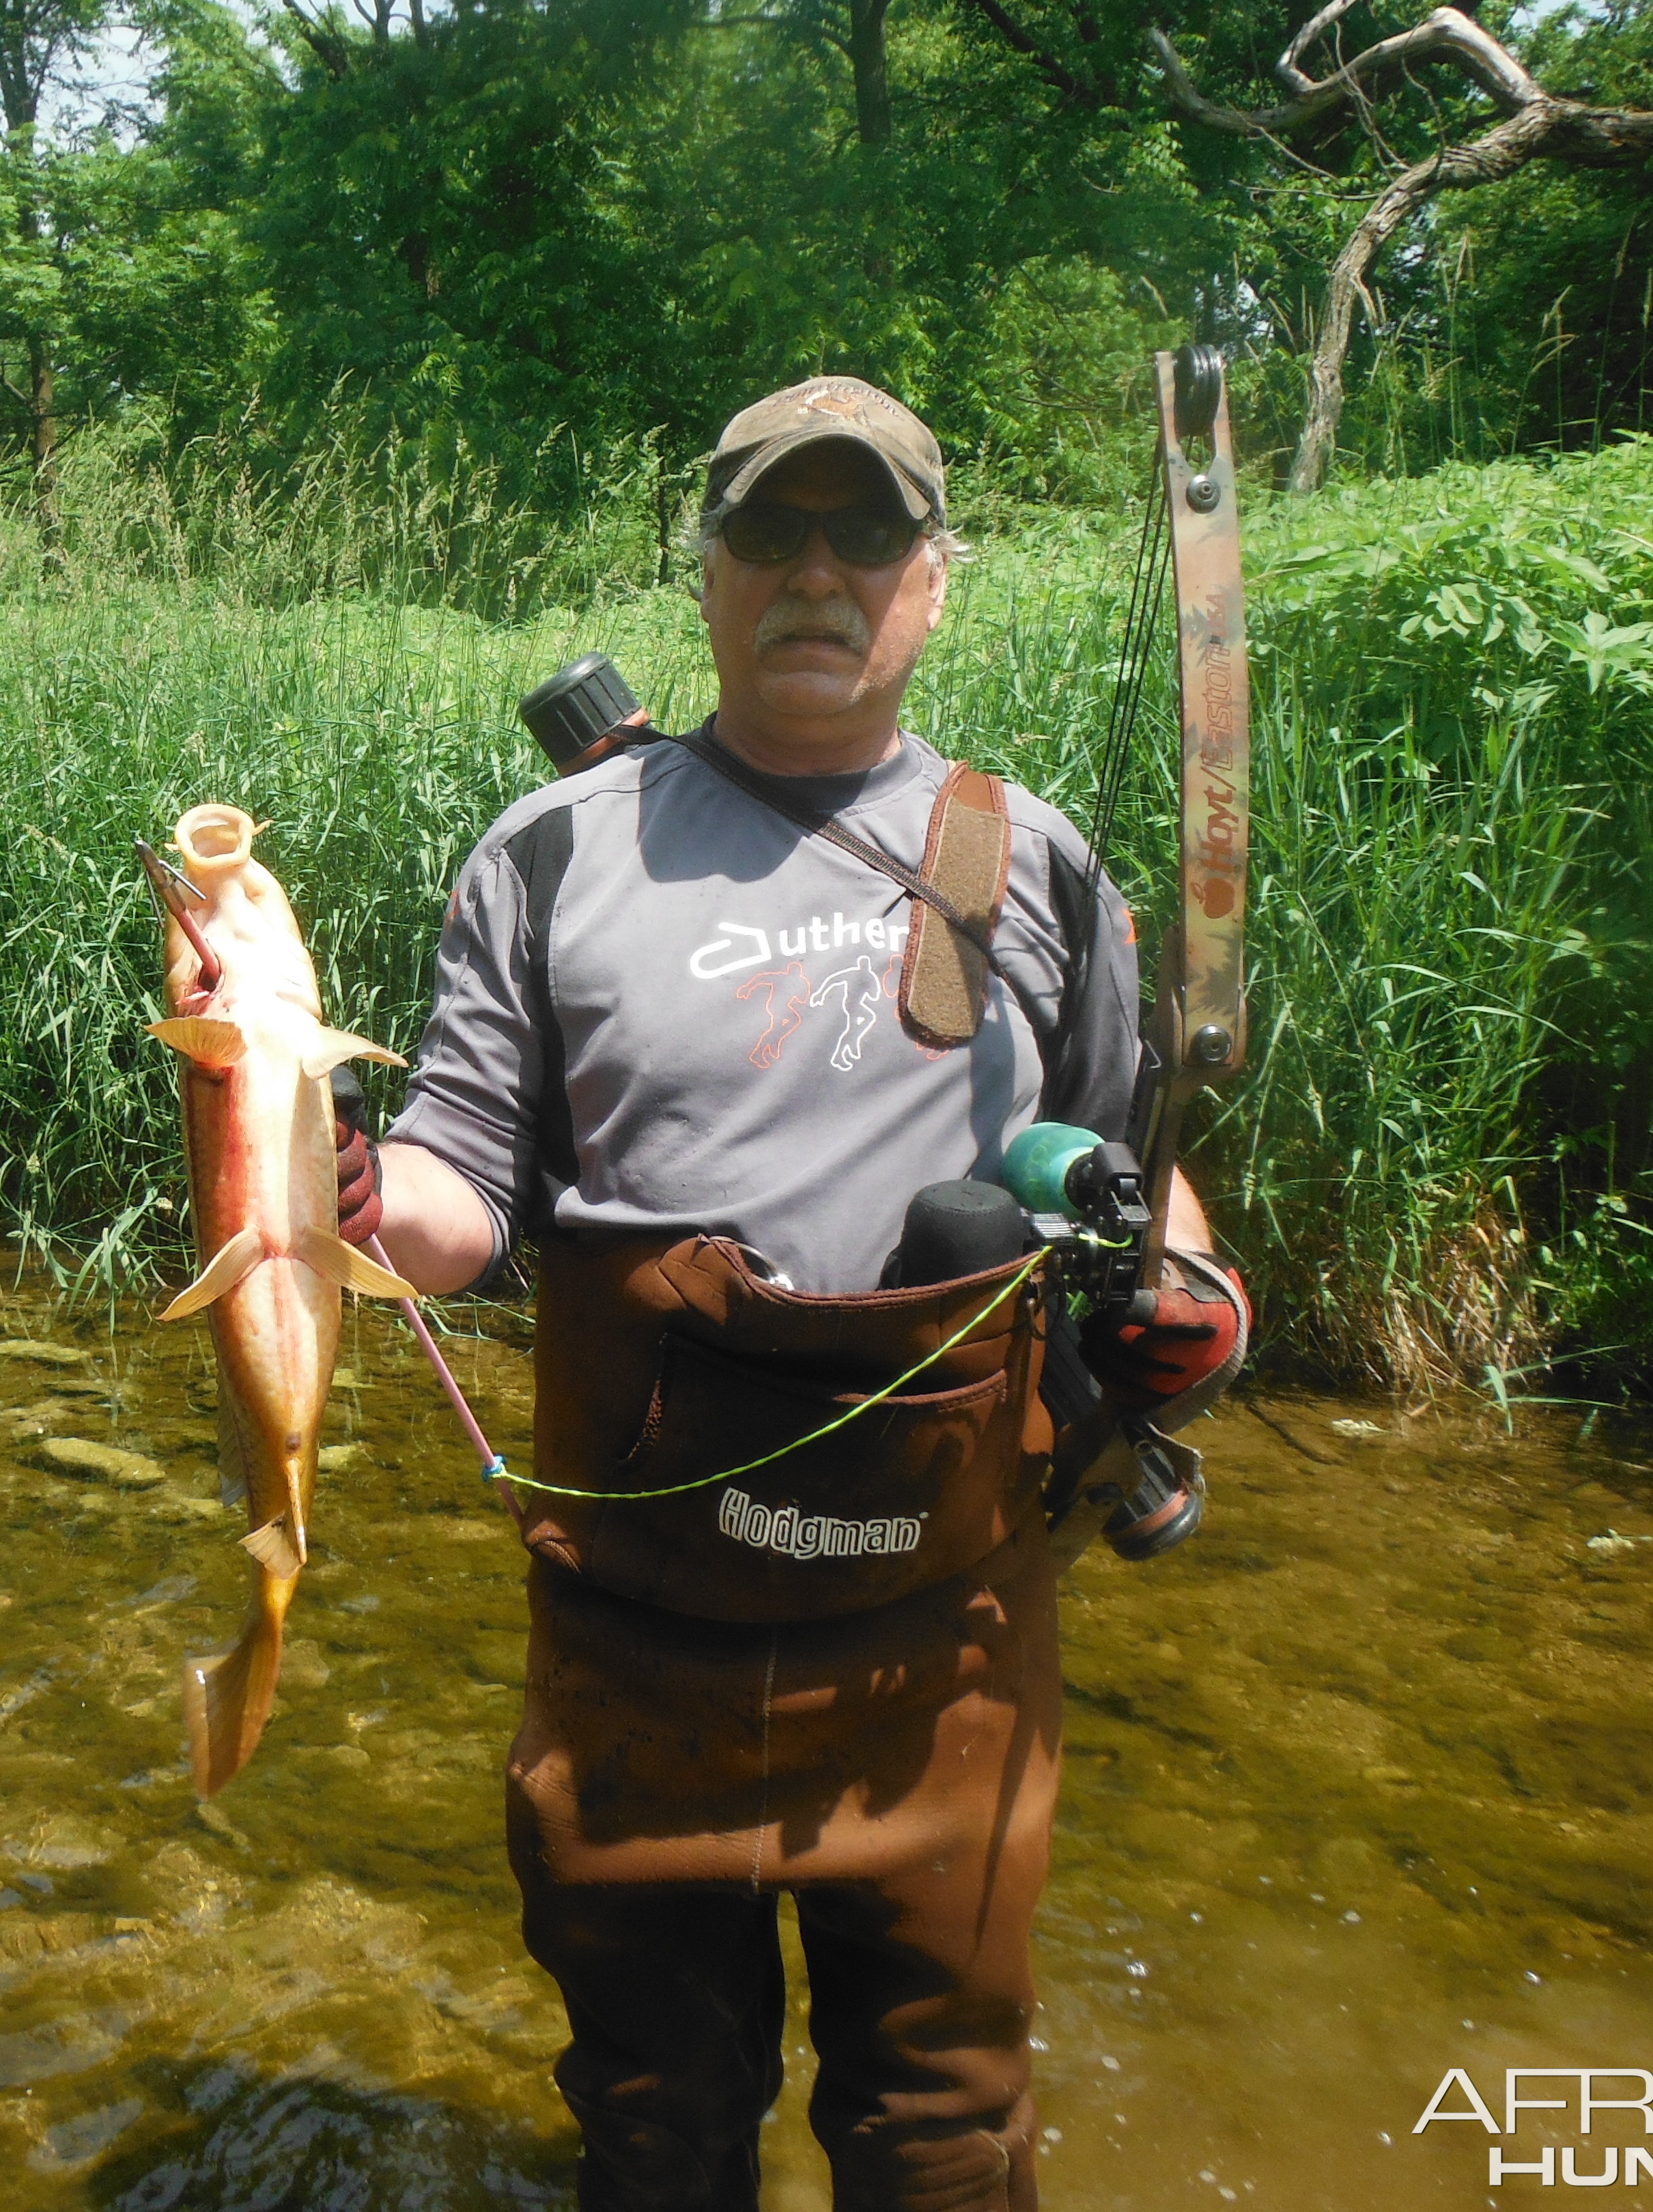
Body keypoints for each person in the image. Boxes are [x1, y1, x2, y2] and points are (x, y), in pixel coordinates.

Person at [339, 375, 1245, 2212]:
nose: (815, 574)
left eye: (865, 535)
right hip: (637, 1628)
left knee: (946, 2133)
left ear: (935, 577)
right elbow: (455, 1194)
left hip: (948, 1627)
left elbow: (1128, 1158)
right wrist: (344, 1193)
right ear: (708, 572)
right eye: (770, 532)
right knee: (657, 2124)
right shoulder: (552, 854)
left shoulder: (1039, 854)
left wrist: (1201, 1298)